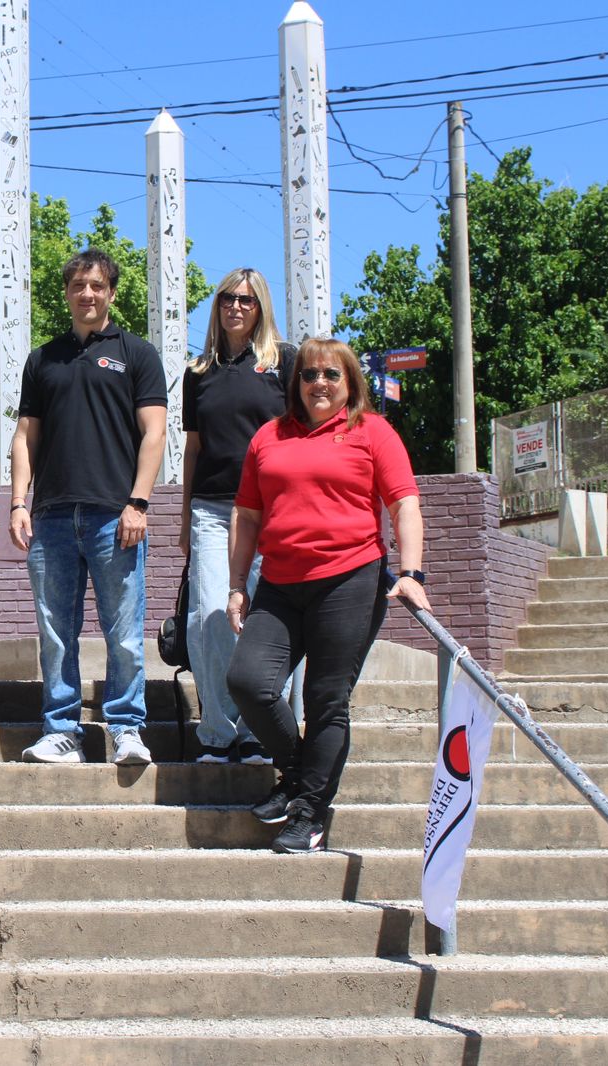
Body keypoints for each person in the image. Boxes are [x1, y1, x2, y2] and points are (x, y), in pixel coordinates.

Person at [225, 337, 430, 854]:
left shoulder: (372, 432)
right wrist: (235, 586)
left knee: (325, 699)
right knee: (248, 681)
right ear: (296, 383)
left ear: (350, 383)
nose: (319, 383)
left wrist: (412, 573)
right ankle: (296, 773)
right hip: (279, 582)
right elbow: (247, 515)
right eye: (309, 374)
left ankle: (311, 811)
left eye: (331, 375)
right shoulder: (269, 436)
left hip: (349, 579)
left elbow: (404, 503)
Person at [10, 248, 167, 766]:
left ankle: (126, 728)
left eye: (97, 286)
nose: (87, 294)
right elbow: (24, 436)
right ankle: (61, 731)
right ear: (67, 294)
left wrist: (138, 502)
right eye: (78, 286)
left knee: (124, 632)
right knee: (55, 633)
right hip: (53, 516)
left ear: (111, 293)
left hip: (114, 517)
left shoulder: (137, 354)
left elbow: (155, 432)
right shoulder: (43, 359)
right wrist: (17, 502)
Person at [178, 268, 296, 766]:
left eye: (247, 300)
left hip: (273, 510)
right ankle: (218, 732)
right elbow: (193, 448)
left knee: (266, 620)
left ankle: (259, 731)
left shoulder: (284, 362)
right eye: (228, 298)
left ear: (261, 306)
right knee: (208, 618)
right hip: (212, 509)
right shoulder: (197, 372)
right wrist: (184, 517)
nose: (236, 307)